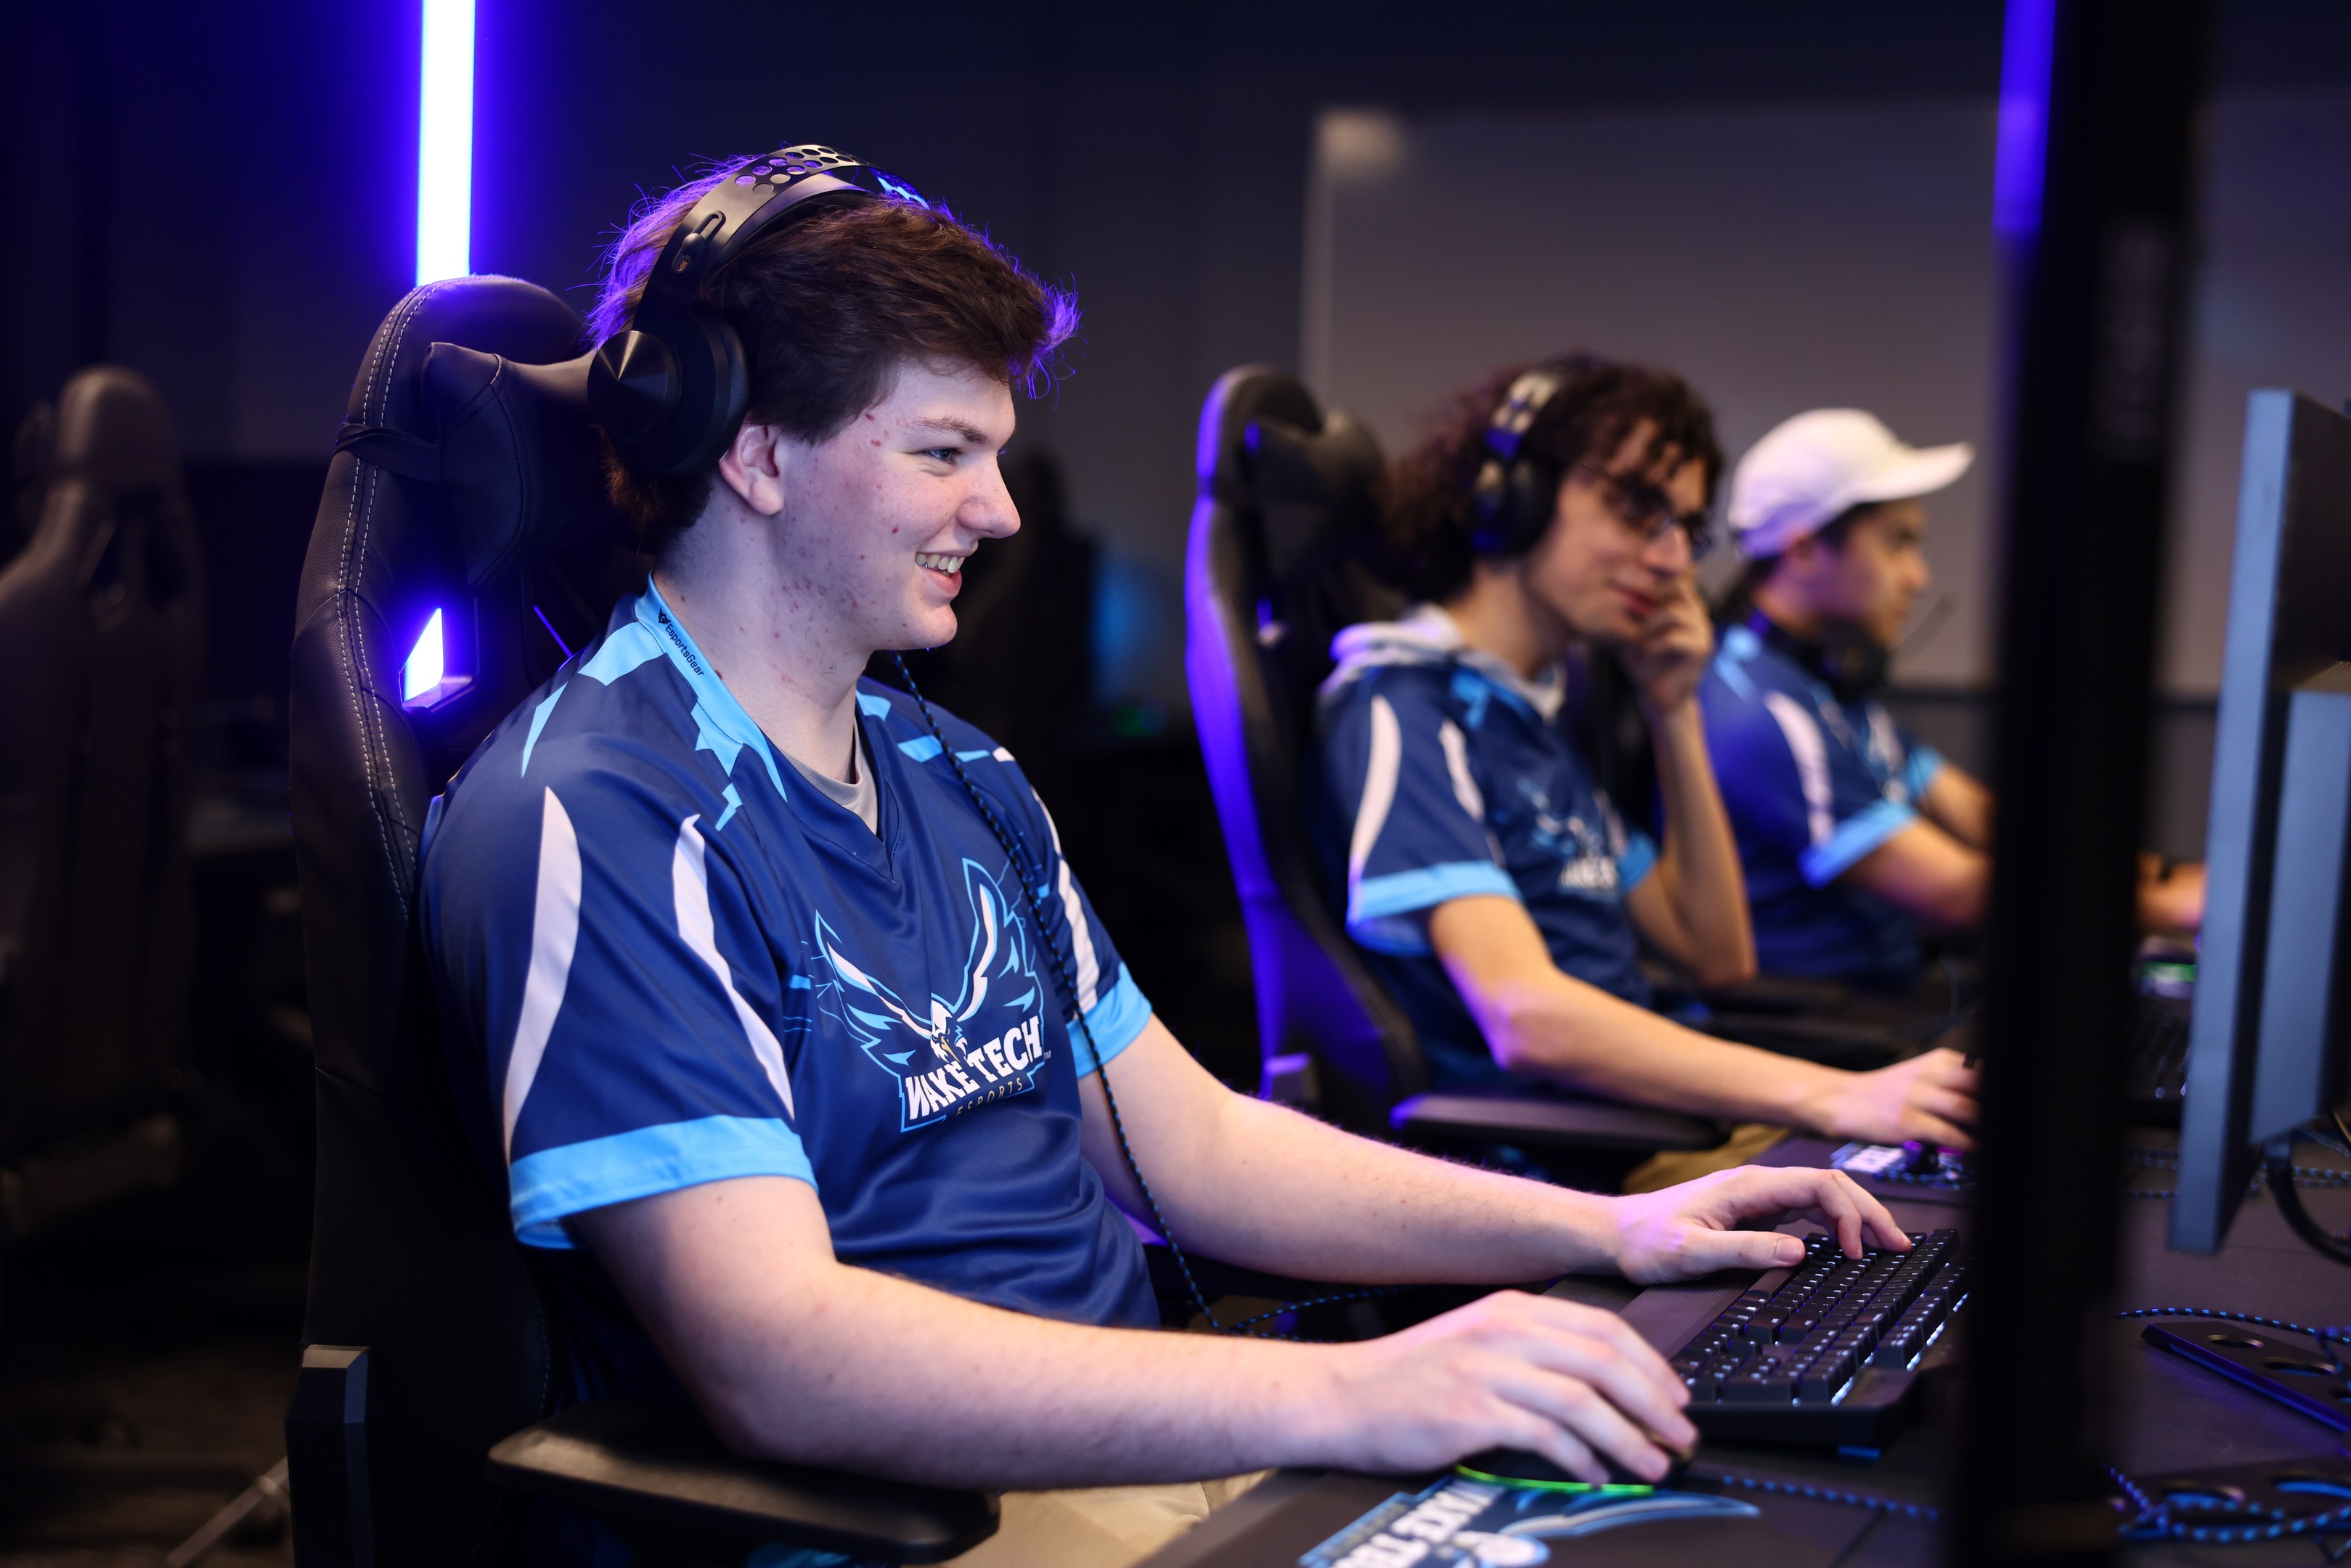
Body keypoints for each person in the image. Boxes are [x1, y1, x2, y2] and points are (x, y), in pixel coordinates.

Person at [417, 155, 1915, 1568]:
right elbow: (777, 1361)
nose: (999, 512)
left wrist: (1609, 1231)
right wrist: (1360, 1397)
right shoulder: (601, 813)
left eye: (994, 454)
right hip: (915, 1516)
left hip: (1144, 1435)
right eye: (943, 452)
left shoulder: (955, 775)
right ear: (748, 451)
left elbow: (1189, 1147)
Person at [1316, 358, 1979, 1164]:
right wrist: (1831, 1093)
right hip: (1583, 1172)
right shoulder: (1405, 707)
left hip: (1665, 1128)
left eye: (1684, 529)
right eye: (1638, 511)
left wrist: (1673, 711)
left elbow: (1716, 955)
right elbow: (1528, 1019)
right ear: (1511, 499)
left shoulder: (1529, 716)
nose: (1672, 561)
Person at [1699, 408, 2204, 992]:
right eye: (1898, 544)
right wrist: (2170, 908)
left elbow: (1980, 817)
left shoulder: (1830, 680)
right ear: (1805, 551)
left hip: (1886, 995)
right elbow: (1956, 893)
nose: (1918, 577)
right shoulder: (1760, 710)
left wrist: (2160, 871)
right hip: (1827, 1025)